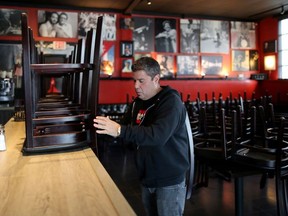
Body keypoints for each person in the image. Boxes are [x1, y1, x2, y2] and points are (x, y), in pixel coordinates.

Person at [94, 57, 191, 216]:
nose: (136, 86)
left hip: (169, 178)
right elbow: (124, 127)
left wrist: (119, 130)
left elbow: (157, 136)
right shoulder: (137, 103)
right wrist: (101, 127)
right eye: (134, 81)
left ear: (156, 79)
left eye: (141, 81)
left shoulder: (171, 102)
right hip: (147, 175)